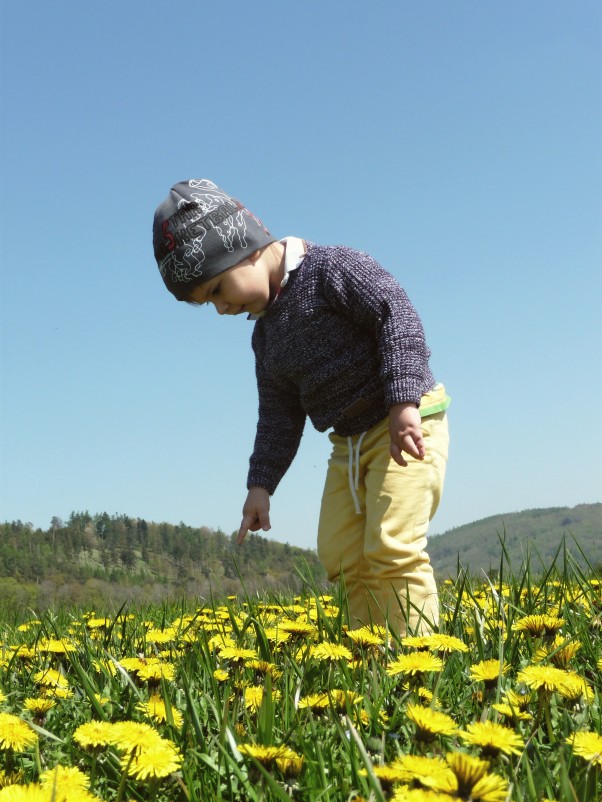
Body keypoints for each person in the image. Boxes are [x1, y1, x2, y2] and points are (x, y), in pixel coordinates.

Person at [152, 178, 450, 636]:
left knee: (392, 545)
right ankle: (368, 651)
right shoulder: (265, 336)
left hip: (405, 424)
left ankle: (421, 657)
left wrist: (404, 398)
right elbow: (278, 414)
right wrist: (261, 485)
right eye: (205, 302)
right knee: (341, 553)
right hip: (347, 443)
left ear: (245, 249)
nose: (219, 308)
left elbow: (396, 313)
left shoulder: (330, 268)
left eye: (216, 290)